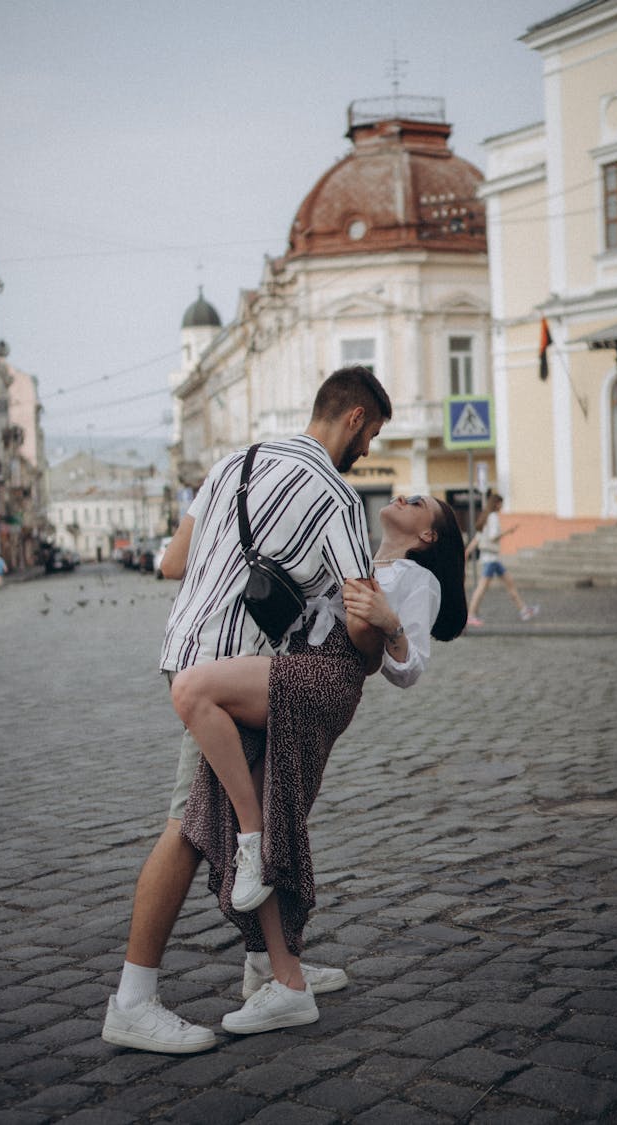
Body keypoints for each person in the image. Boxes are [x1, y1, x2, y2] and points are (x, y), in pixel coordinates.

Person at [101, 365, 392, 1055]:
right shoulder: (336, 498)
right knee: (189, 825)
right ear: (352, 419)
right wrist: (380, 621)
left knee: (246, 804)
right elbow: (357, 618)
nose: (368, 449)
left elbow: (173, 562)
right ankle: (133, 999)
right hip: (231, 673)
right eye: (372, 434)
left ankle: (270, 964)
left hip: (183, 647)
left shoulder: (236, 459)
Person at [170, 492, 467, 1035]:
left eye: (420, 501)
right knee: (267, 809)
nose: (404, 493)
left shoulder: (417, 581)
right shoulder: (350, 548)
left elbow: (408, 669)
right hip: (290, 667)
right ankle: (277, 969)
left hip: (323, 682)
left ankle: (278, 953)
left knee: (197, 700)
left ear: (429, 536)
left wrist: (388, 623)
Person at [465, 491, 538, 626]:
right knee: (481, 588)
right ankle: (470, 615)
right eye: (501, 503)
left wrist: (468, 550)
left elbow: (478, 537)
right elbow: (493, 536)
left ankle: (523, 610)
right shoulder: (493, 517)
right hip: (491, 560)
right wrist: (508, 532)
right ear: (497, 504)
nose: (502, 506)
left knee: (510, 583)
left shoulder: (485, 516)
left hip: (492, 559)